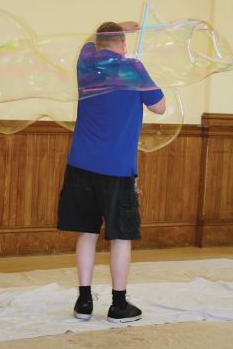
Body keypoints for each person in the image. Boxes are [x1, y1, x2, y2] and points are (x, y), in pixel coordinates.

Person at [57, 21, 165, 323]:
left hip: (80, 164)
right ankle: (119, 306)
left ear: (100, 43)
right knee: (120, 238)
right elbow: (160, 107)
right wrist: (136, 69)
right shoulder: (133, 68)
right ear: (122, 44)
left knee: (87, 233)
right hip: (117, 168)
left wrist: (113, 26)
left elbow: (91, 40)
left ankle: (84, 302)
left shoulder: (85, 62)